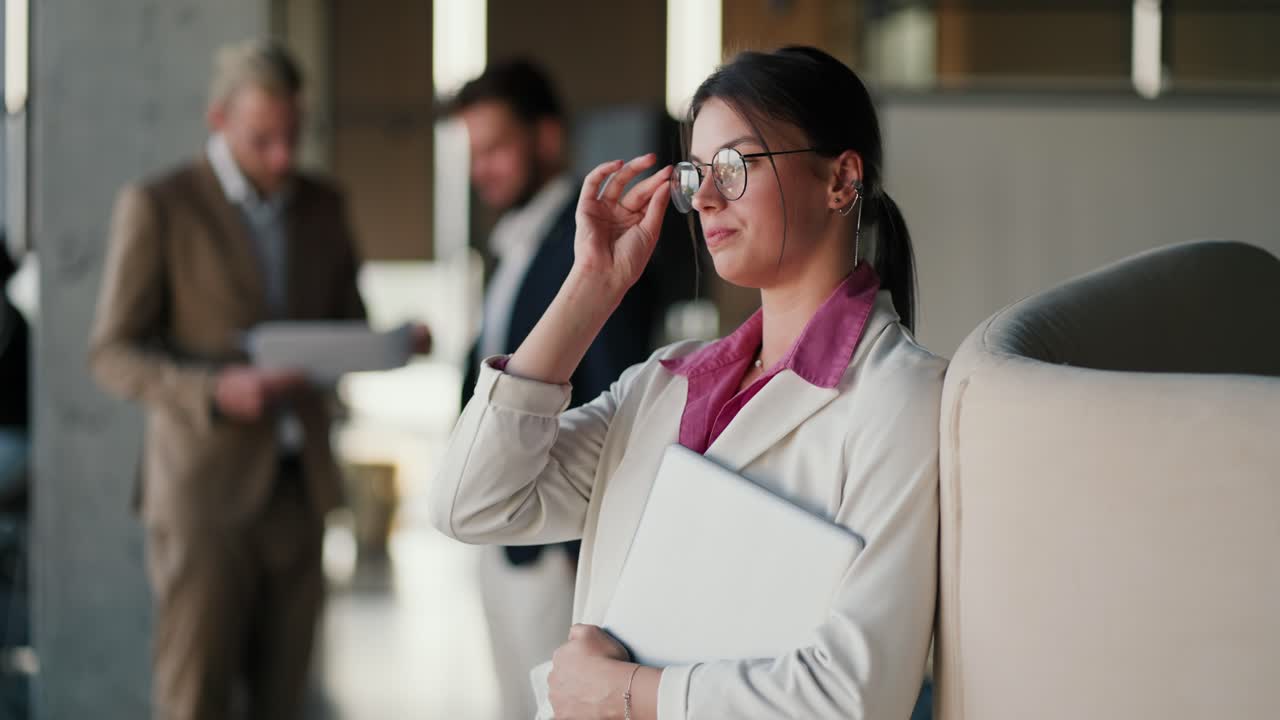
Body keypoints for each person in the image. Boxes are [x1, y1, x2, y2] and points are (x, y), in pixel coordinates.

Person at [430, 45, 944, 719]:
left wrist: (623, 693)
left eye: (733, 166)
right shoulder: (663, 386)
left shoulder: (901, 399)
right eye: (695, 172)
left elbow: (853, 696)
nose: (702, 197)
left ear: (840, 179)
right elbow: (470, 502)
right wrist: (590, 288)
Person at [89, 39, 428, 719]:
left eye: (292, 137)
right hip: (200, 494)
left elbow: (345, 324)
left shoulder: (325, 205)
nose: (282, 156)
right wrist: (212, 391)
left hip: (299, 491)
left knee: (286, 697)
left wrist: (390, 344)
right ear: (218, 120)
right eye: (261, 139)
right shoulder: (160, 205)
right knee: (196, 697)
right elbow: (112, 352)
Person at [447, 59, 662, 720]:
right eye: (473, 153)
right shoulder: (513, 243)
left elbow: (612, 384)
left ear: (546, 138)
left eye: (496, 149)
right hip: (502, 535)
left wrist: (582, 559)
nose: (480, 169)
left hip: (555, 550)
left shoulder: (592, 247)